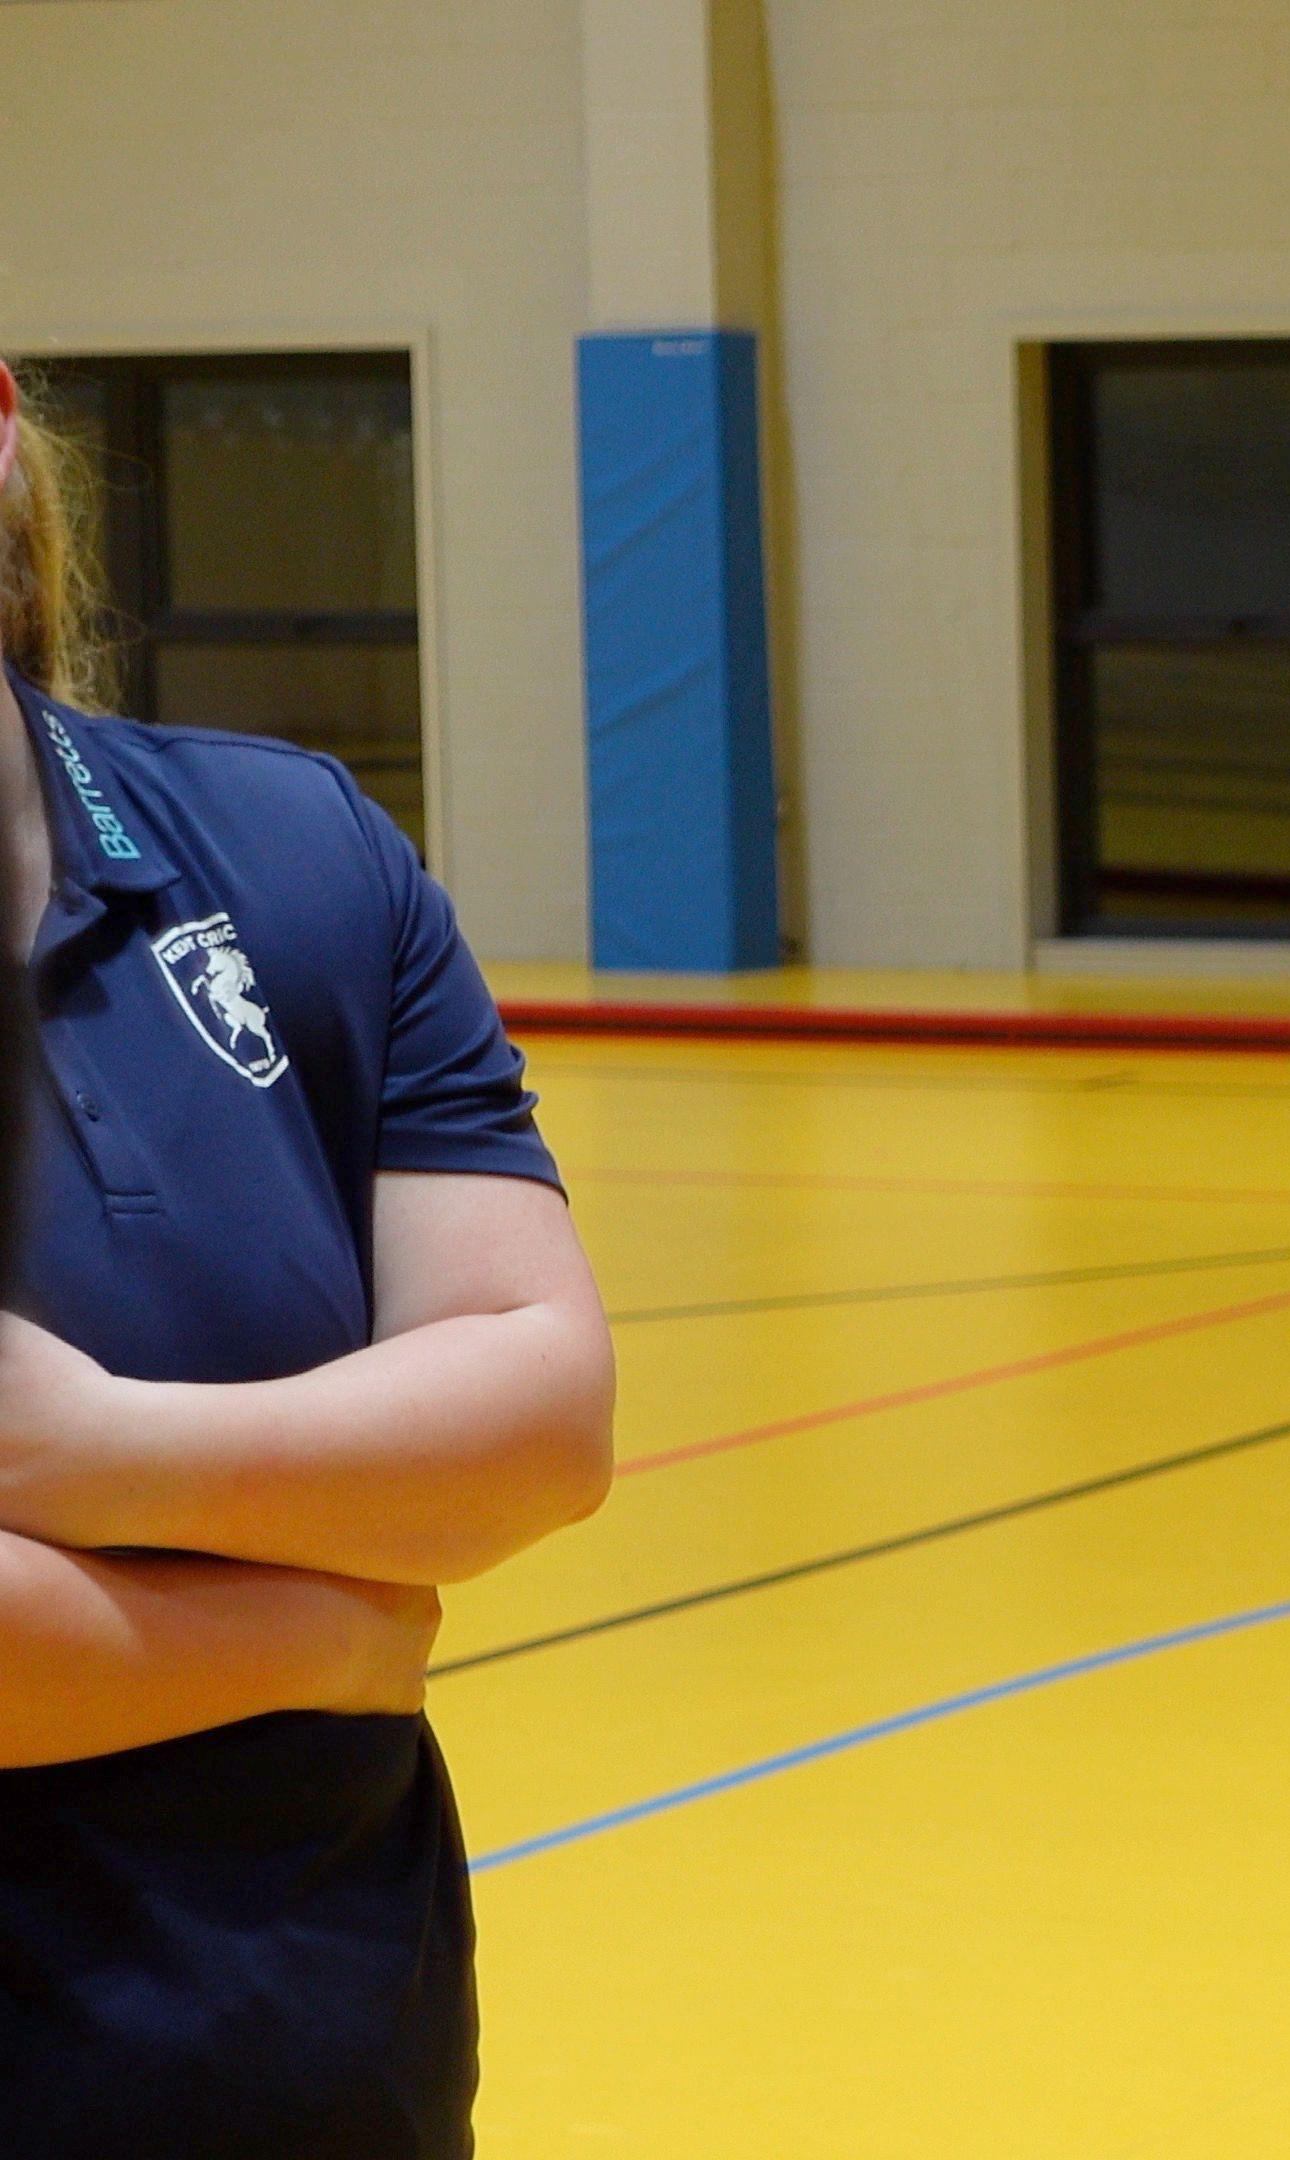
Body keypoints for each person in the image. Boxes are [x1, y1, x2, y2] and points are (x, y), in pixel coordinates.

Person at [0, 357, 616, 2157]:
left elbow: (539, 1408)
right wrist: (330, 1635)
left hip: (331, 2078)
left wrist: (89, 1445)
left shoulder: (292, 854)